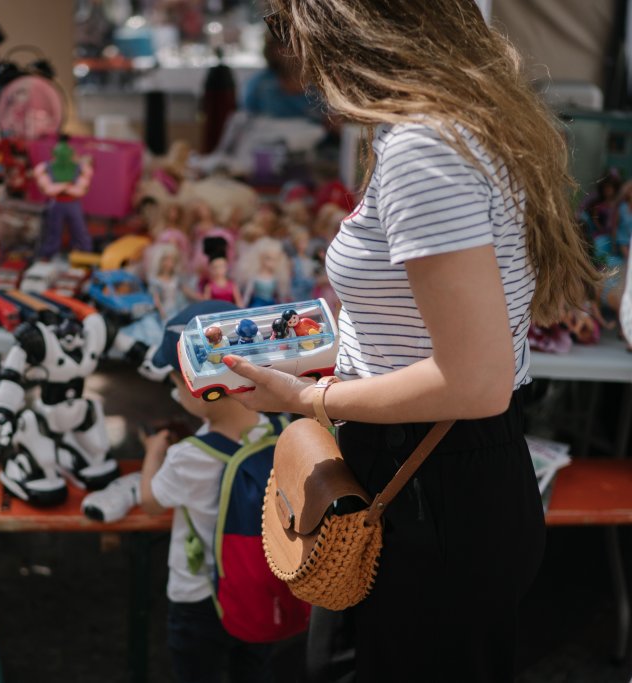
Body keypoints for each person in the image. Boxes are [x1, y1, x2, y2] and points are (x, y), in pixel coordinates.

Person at [231, 1, 602, 680]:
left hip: (429, 488)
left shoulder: (424, 146)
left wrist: (311, 398)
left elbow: (474, 379)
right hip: (443, 479)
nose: (301, 52)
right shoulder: (465, 125)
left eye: (298, 25)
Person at [139, 302, 277, 683]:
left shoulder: (187, 457)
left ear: (198, 387)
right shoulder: (276, 428)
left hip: (198, 599)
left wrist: (153, 451)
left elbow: (150, 502)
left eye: (174, 382)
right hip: (259, 585)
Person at [242, 31, 324, 124]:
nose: (286, 51)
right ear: (272, 51)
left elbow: (336, 121)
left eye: (296, 44)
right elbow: (247, 121)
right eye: (283, 45)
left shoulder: (323, 85)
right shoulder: (259, 86)